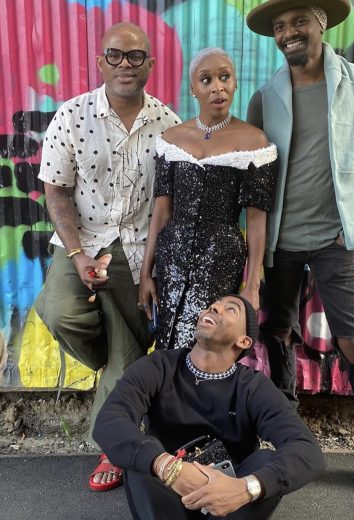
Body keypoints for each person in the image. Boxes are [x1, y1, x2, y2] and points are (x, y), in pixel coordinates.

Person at [245, 0, 354, 503]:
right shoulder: (265, 96)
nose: (288, 33)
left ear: (320, 24)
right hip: (281, 240)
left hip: (333, 239)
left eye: (298, 22)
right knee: (278, 333)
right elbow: (255, 173)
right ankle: (290, 441)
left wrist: (353, 225)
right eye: (279, 27)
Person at [35, 22, 180, 491]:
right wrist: (78, 255)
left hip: (139, 246)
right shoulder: (71, 115)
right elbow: (56, 191)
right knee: (59, 311)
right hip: (83, 239)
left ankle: (112, 443)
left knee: (127, 341)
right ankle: (113, 362)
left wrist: (152, 266)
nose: (124, 64)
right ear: (100, 61)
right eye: (115, 55)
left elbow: (169, 204)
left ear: (150, 65)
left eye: (135, 56)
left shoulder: (168, 124)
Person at [93, 294, 326, 519]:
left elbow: (307, 450)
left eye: (230, 309)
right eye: (214, 304)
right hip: (167, 492)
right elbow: (110, 420)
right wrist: (166, 466)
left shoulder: (253, 387)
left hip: (228, 503)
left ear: (244, 341)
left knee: (265, 461)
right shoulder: (159, 366)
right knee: (142, 458)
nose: (214, 307)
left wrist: (246, 488)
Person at [139, 48, 277, 350]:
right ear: (193, 89)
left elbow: (256, 221)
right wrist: (146, 273)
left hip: (221, 259)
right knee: (167, 339)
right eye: (206, 80)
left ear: (235, 83)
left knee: (207, 341)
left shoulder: (254, 142)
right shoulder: (171, 139)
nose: (218, 87)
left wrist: (252, 285)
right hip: (171, 257)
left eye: (225, 77)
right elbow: (161, 212)